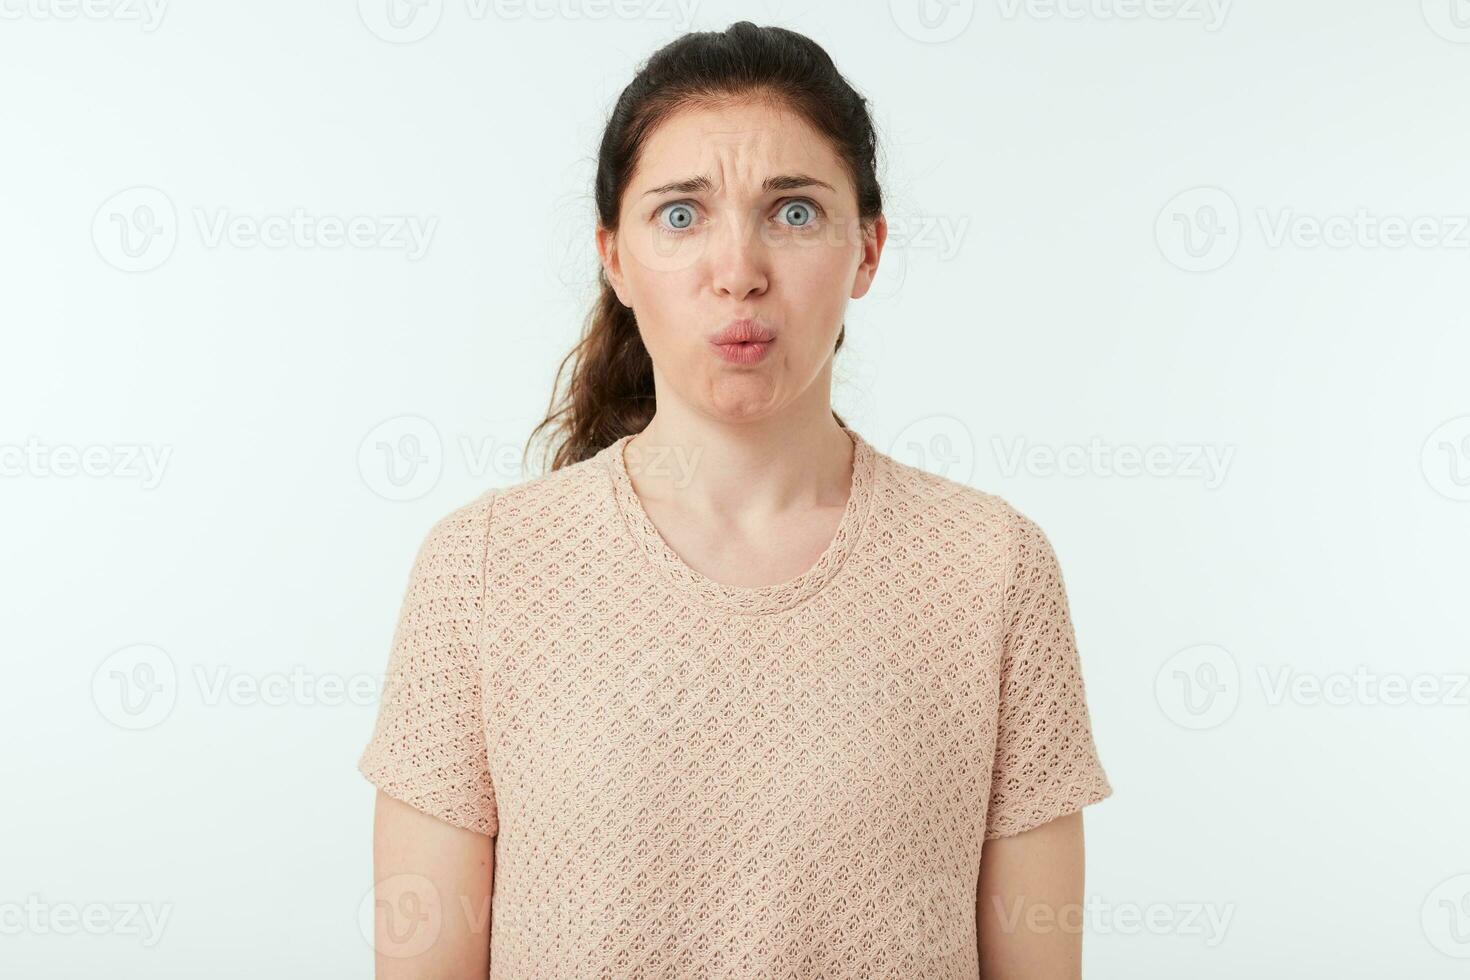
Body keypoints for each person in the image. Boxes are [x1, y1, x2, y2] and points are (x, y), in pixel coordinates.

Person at [357, 21, 1112, 979]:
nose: (739, 270)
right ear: (615, 259)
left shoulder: (991, 569)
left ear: (868, 251)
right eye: (681, 215)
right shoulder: (484, 570)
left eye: (794, 213)